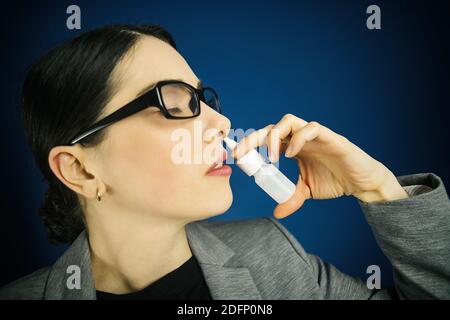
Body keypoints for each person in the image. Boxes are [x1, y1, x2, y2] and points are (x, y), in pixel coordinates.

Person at [1, 24, 449, 300]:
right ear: (80, 169)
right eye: (174, 100)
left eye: (203, 97)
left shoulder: (272, 254)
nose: (221, 121)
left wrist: (381, 191)